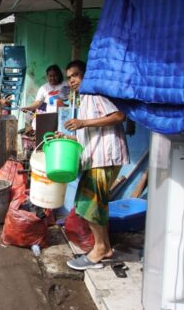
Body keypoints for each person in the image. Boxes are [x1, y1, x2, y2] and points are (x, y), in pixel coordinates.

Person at [57, 60, 129, 271]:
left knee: (88, 204)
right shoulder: (84, 99)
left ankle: (98, 249)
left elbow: (119, 116)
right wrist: (71, 136)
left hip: (105, 157)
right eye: (69, 77)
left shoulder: (95, 94)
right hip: (96, 158)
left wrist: (83, 123)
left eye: (76, 75)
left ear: (87, 75)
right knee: (97, 204)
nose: (72, 80)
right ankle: (104, 247)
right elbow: (89, 131)